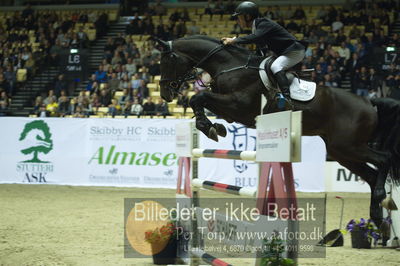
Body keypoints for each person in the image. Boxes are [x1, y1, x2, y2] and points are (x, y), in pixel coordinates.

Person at [221, 1, 306, 108]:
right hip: (284, 52)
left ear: (248, 16)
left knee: (276, 66)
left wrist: (234, 40)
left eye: (239, 17)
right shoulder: (256, 26)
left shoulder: (263, 24)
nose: (238, 20)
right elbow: (261, 47)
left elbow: (254, 38)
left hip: (294, 51)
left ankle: (287, 98)